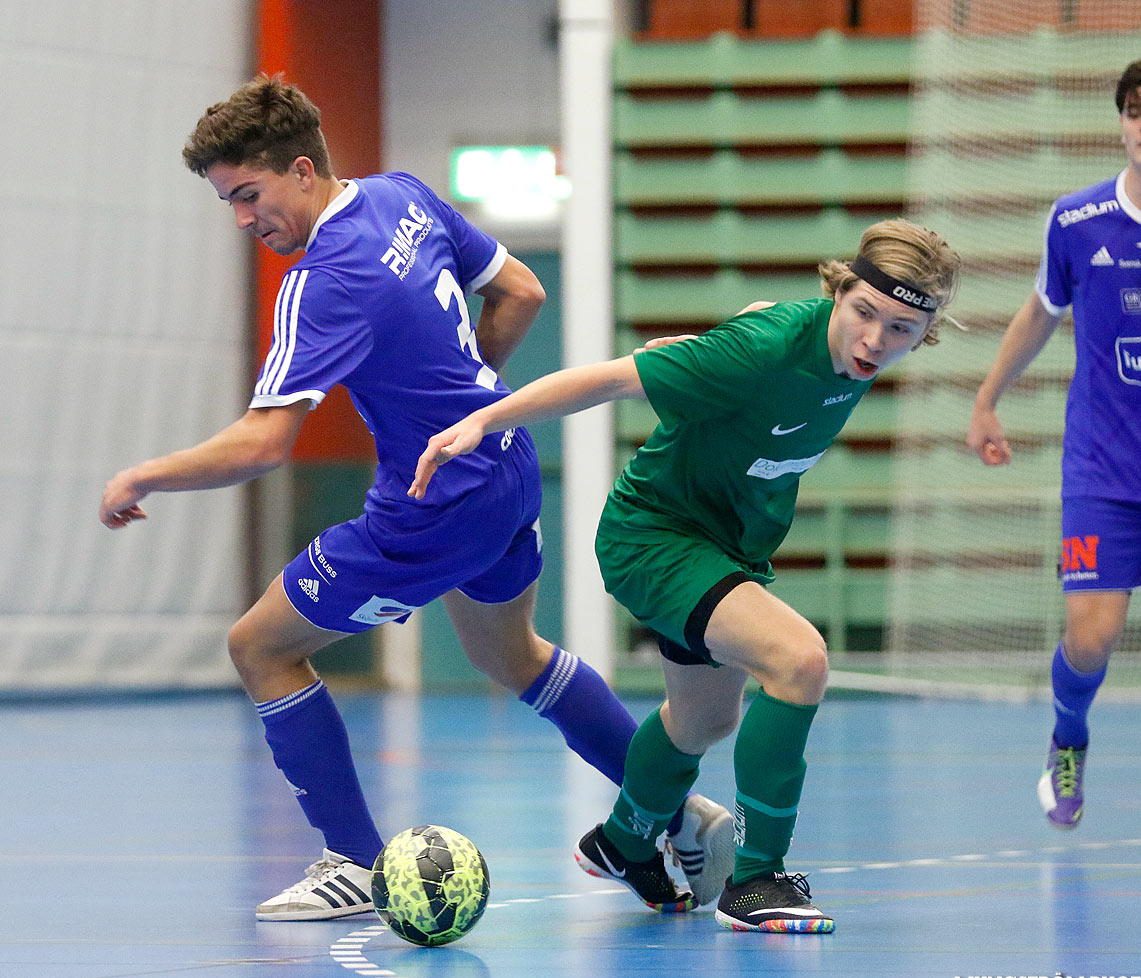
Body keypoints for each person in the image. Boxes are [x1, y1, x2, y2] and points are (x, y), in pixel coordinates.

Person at [98, 74, 732, 921]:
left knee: (261, 647)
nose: (246, 221)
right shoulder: (401, 195)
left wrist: (145, 475)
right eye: (229, 205)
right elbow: (521, 292)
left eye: (249, 196)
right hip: (504, 466)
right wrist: (470, 401)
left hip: (430, 510)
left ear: (299, 169)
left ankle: (355, 863)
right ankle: (683, 816)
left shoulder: (322, 278)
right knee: (512, 656)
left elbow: (265, 441)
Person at [412, 220, 961, 932]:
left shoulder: (828, 353)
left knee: (706, 718)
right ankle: (757, 881)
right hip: (657, 537)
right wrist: (484, 421)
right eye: (863, 313)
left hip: (727, 549)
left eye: (901, 329)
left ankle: (624, 841)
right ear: (839, 289)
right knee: (799, 662)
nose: (873, 342)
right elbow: (608, 380)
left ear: (927, 333)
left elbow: (761, 329)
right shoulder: (764, 349)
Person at [967, 56, 1141, 831]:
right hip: (1105, 469)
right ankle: (1068, 740)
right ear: (1121, 125)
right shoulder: (1076, 221)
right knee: (1092, 639)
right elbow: (1038, 313)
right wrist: (989, 398)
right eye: (1134, 112)